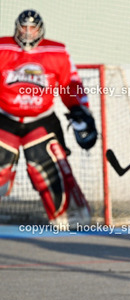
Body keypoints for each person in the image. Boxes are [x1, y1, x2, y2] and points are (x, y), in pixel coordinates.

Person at [0, 10, 97, 228]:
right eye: (23, 27)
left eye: (31, 28)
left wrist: (80, 110)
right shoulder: (3, 48)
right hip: (6, 118)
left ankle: (69, 214)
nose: (27, 33)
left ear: (40, 30)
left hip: (41, 119)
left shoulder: (56, 51)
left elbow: (70, 83)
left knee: (46, 166)